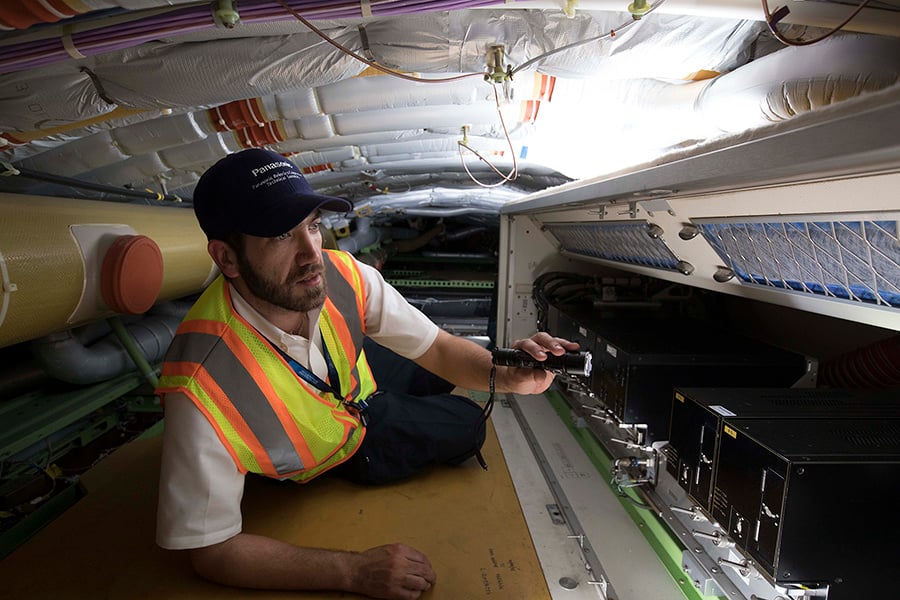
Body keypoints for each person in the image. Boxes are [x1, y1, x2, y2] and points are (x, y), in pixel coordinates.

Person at [154, 148, 579, 600]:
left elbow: (436, 348)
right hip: (337, 444)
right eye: (280, 236)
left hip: (356, 385)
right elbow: (213, 552)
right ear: (227, 258)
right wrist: (351, 571)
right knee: (468, 424)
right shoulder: (201, 387)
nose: (311, 256)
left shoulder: (342, 276)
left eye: (313, 226)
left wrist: (507, 372)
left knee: (436, 368)